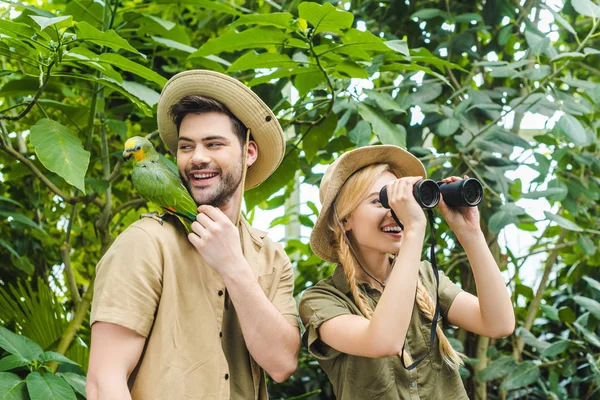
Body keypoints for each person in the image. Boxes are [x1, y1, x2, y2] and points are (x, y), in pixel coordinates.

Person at [86, 70, 300, 400]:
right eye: (187, 146)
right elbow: (104, 382)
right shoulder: (145, 243)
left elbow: (282, 363)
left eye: (214, 144)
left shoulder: (270, 256)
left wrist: (233, 266)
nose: (197, 157)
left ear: (249, 153)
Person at [299, 145, 515, 399]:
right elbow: (384, 341)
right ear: (344, 220)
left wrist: (470, 234)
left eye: (402, 202)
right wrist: (413, 229)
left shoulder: (425, 277)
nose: (397, 213)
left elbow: (498, 324)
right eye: (381, 201)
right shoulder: (321, 300)